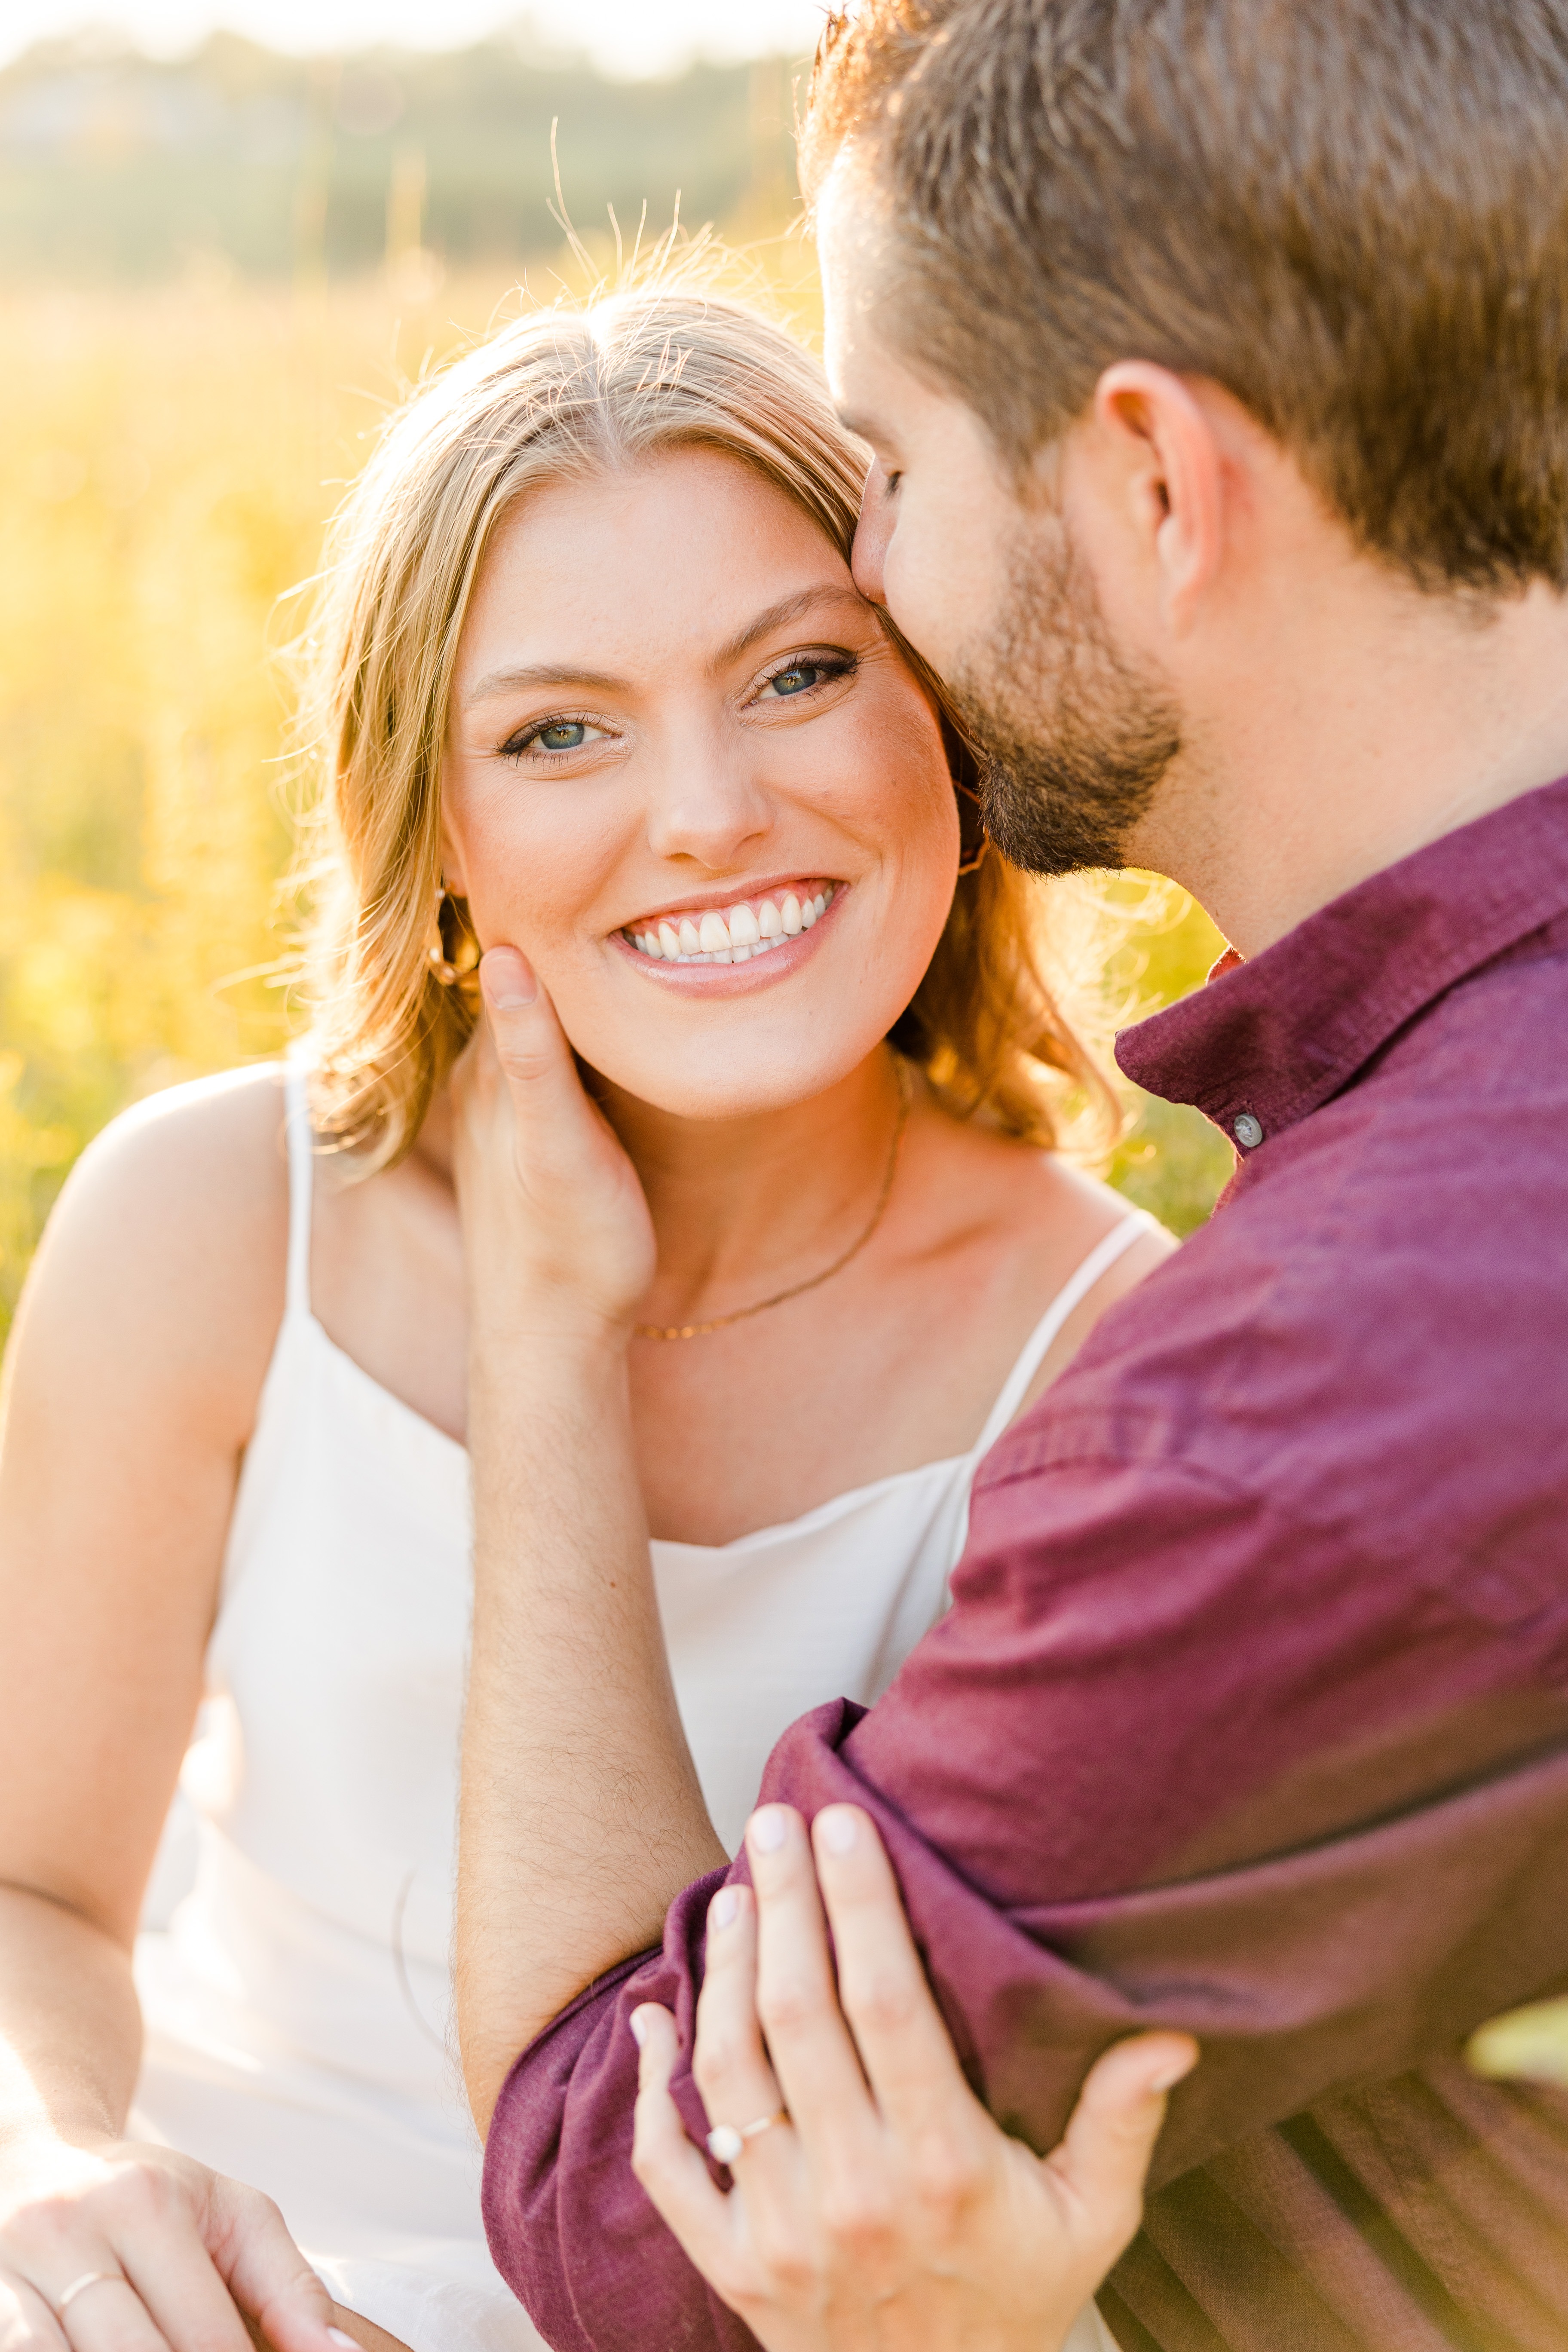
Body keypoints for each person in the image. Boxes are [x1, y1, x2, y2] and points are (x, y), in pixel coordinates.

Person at [460, 1, 1568, 2346]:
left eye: (887, 463)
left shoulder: (1304, 1405)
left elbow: (626, 2197)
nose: (873, 560)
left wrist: (541, 1342)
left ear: (1157, 482)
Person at [0, 292, 1182, 2352]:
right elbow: (27, 1895)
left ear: (956, 721)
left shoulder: (1109, 1363)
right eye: (560, 729)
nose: (709, 811)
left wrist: (555, 1339)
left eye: (804, 674)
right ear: (438, 839)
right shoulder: (211, 1221)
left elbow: (854, 2188)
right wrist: (56, 2168)